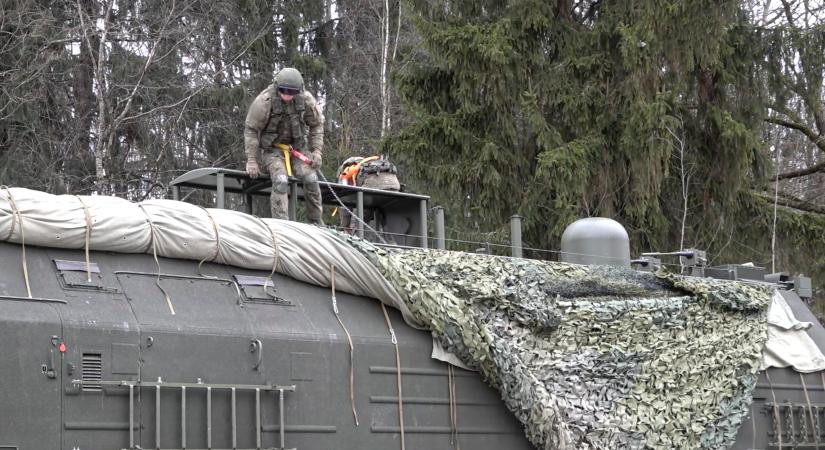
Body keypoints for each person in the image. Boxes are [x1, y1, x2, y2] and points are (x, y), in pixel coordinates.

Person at [244, 67, 325, 224]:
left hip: (298, 150)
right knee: (280, 180)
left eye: (291, 92)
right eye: (283, 91)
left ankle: (316, 222)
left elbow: (317, 124)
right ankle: (282, 225)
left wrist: (316, 152)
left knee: (311, 179)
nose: (287, 95)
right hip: (272, 151)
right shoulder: (264, 102)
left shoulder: (306, 100)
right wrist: (252, 160)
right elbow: (251, 130)